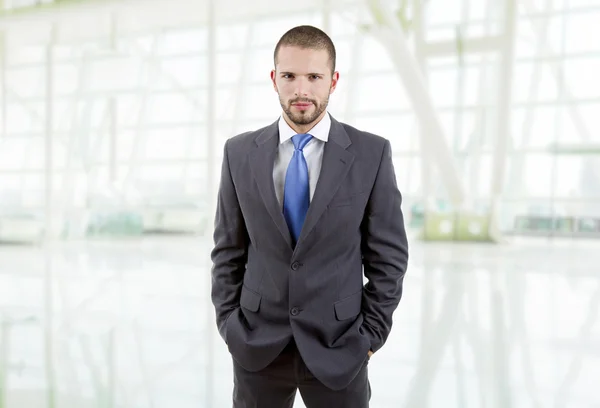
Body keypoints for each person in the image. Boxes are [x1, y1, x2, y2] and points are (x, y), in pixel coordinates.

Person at [211, 24, 409, 408]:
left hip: (340, 346)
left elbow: (389, 259)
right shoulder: (238, 154)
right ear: (274, 79)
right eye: (289, 76)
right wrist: (230, 326)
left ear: (333, 81)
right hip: (257, 346)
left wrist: (369, 337)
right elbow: (227, 251)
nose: (301, 90)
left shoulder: (371, 154)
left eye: (314, 77)